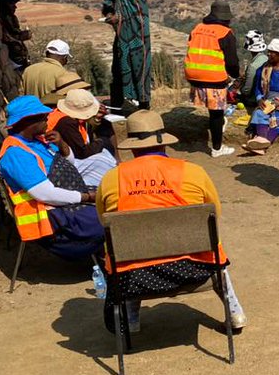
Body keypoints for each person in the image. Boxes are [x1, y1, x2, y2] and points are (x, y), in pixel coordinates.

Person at [96, 111, 246, 332]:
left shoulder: (112, 178)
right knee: (213, 245)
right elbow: (214, 214)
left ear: (133, 147)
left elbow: (104, 221)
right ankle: (235, 313)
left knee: (129, 251)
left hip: (135, 277)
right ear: (164, 143)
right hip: (195, 269)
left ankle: (131, 318)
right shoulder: (193, 172)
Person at [0, 95, 104, 261]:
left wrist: (62, 144)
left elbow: (69, 164)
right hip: (53, 216)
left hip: (66, 201)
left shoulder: (38, 141)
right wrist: (86, 197)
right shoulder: (16, 153)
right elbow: (45, 194)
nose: (48, 118)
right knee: (109, 218)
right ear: (28, 121)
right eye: (43, 117)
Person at [184, 0, 241, 159]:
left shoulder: (197, 28)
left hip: (193, 75)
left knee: (214, 111)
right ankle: (217, 148)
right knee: (216, 113)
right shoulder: (225, 33)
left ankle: (218, 126)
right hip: (213, 78)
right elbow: (232, 62)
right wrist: (235, 75)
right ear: (226, 18)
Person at [102, 0, 151, 112]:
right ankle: (118, 105)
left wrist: (120, 18)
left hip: (138, 36)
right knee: (118, 67)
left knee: (139, 68)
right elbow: (109, 1)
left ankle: (143, 105)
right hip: (122, 35)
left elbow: (140, 15)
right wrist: (109, 13)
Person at [243, 39, 279, 155]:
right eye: (269, 51)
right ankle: (261, 142)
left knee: (278, 120)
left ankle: (261, 143)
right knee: (260, 113)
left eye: (272, 52)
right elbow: (258, 88)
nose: (269, 54)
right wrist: (259, 99)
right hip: (268, 99)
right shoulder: (263, 68)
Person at [21, 39, 72, 104]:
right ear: (64, 57)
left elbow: (21, 94)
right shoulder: (62, 73)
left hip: (29, 109)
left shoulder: (28, 70)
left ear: (46, 53)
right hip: (50, 110)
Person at [0, 0, 31, 70]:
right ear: (2, 4)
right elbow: (5, 38)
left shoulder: (11, 18)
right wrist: (20, 37)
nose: (15, 7)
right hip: (9, 62)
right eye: (11, 3)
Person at [237, 30, 269, 115]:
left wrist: (240, 88)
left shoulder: (253, 66)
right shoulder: (267, 60)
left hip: (253, 101)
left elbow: (247, 90)